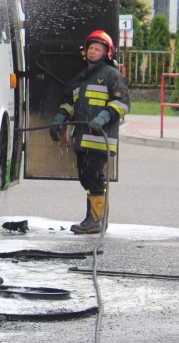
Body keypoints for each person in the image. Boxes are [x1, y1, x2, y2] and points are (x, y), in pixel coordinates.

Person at [50, 29, 130, 234]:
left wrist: (103, 117)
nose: (93, 52)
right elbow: (69, 102)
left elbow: (122, 103)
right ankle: (94, 219)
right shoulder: (80, 78)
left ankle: (95, 220)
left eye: (98, 49)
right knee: (87, 178)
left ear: (106, 53)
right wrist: (59, 118)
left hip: (101, 139)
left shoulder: (112, 75)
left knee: (94, 177)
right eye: (91, 48)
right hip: (83, 139)